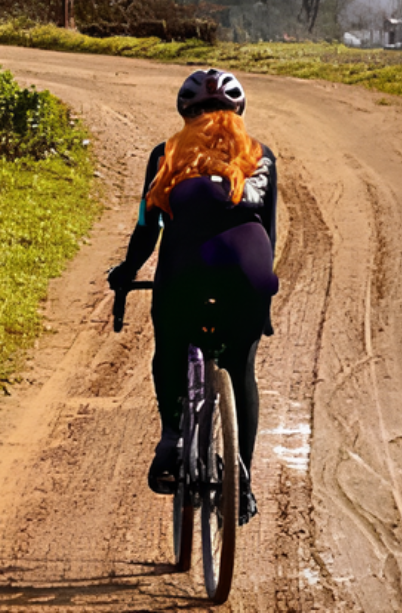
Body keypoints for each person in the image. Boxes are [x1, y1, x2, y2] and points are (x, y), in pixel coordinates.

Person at [107, 68, 278, 520]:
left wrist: (126, 272)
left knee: (169, 347)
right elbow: (269, 233)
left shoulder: (167, 154)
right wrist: (263, 301)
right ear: (238, 110)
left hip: (185, 271)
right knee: (241, 367)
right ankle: (241, 483)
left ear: (186, 112)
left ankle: (173, 437)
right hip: (250, 272)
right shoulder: (262, 157)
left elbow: (148, 228)